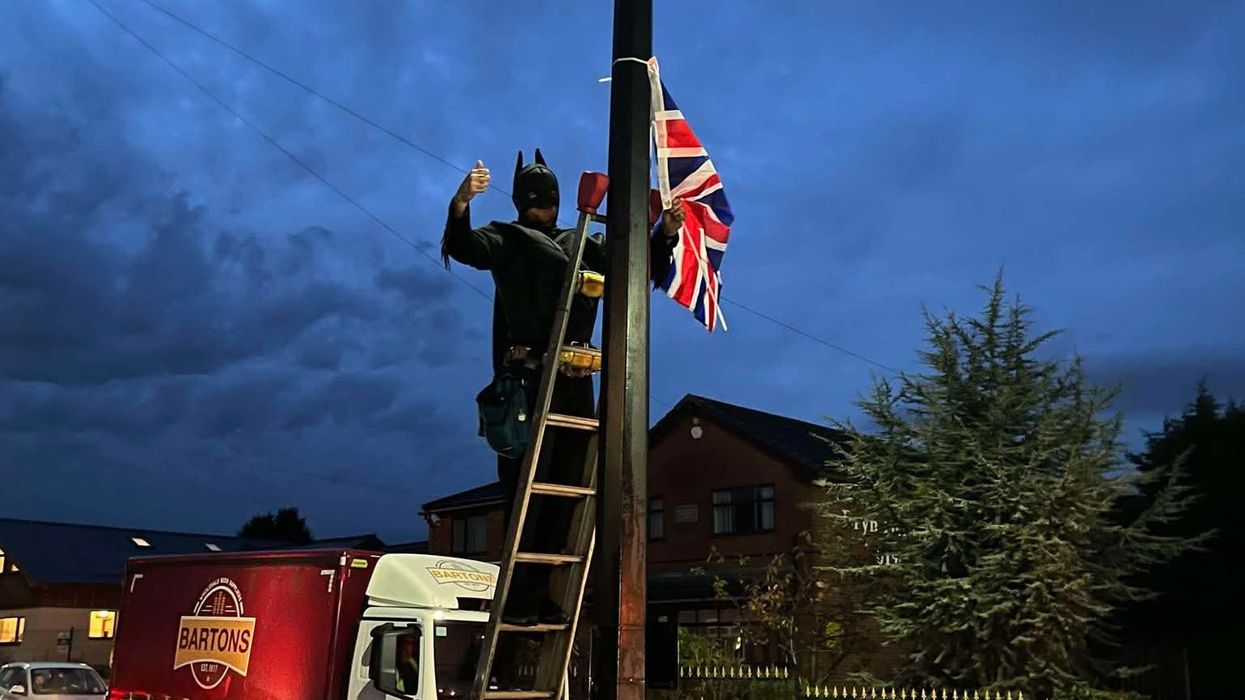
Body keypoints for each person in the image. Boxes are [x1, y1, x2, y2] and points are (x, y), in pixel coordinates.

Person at [442, 150, 683, 626]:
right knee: (525, 492)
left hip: (572, 382)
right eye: (533, 200)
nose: (541, 207)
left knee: (567, 492)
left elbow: (633, 266)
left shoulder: (583, 243)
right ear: (520, 202)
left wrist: (664, 234)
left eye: (546, 199)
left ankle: (544, 588)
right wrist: (460, 202)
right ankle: (519, 597)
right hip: (526, 383)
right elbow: (466, 246)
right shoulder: (506, 239)